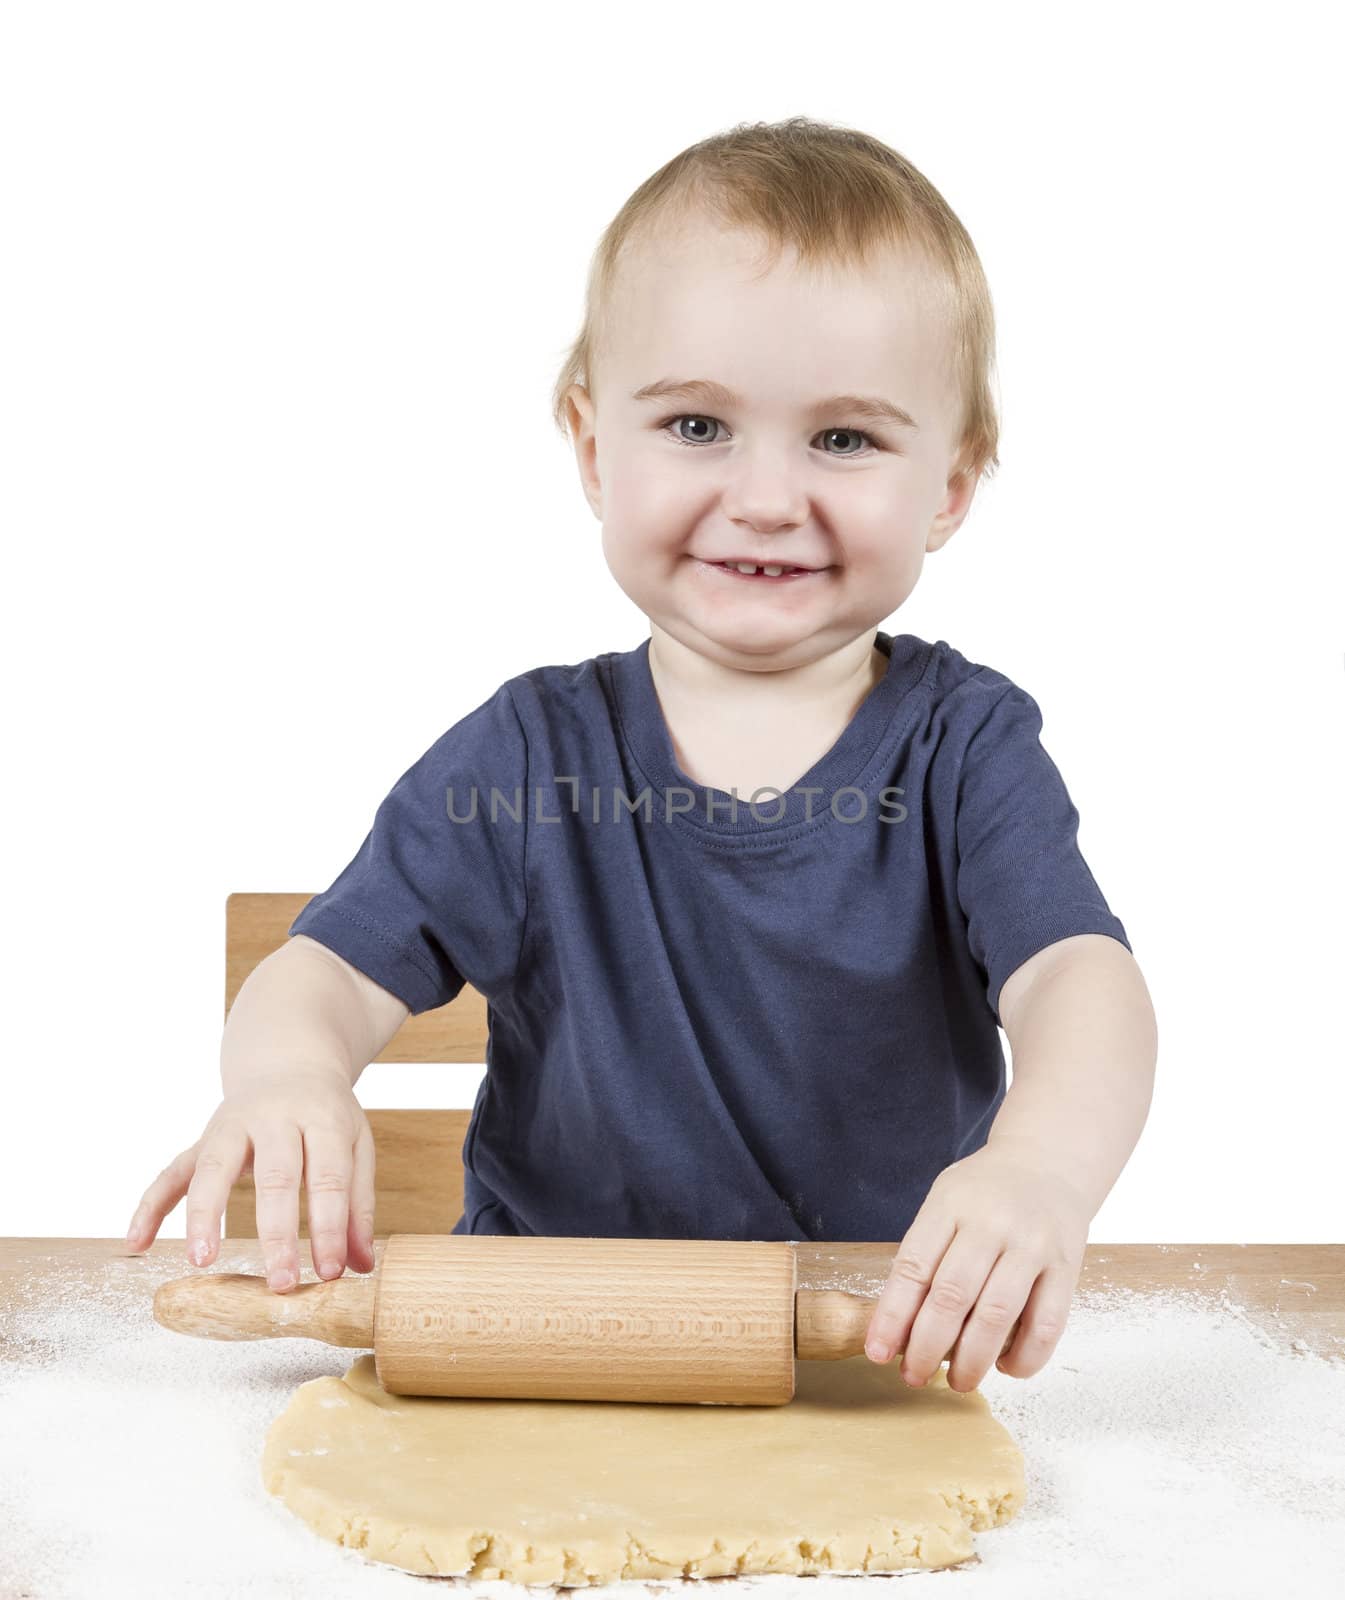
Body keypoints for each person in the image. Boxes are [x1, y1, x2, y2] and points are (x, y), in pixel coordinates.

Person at [127, 116, 1157, 1396]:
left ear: (950, 482)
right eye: (695, 425)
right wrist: (288, 1076)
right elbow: (323, 973)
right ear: (594, 445)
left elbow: (1079, 983)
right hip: (522, 1356)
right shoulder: (530, 752)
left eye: (844, 439)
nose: (768, 496)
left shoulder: (964, 748)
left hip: (868, 1342)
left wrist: (1040, 1169)